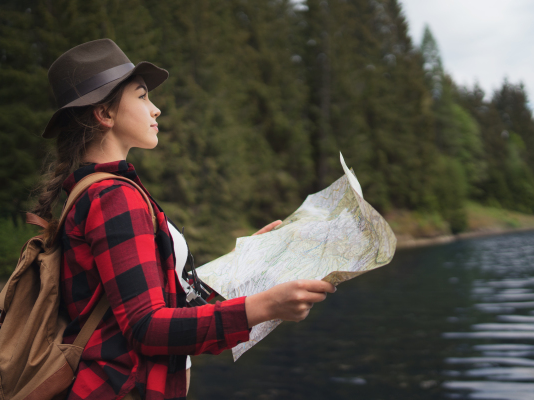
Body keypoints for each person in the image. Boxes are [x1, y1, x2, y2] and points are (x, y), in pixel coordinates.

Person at [31, 38, 335, 400]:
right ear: (105, 114)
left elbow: (163, 299)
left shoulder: (98, 191)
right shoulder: (114, 197)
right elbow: (147, 327)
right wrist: (264, 307)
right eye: (142, 96)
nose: (155, 109)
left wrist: (247, 265)